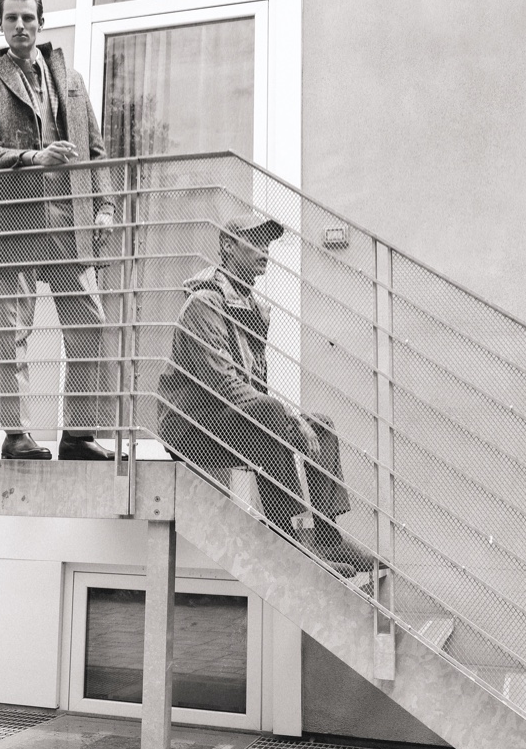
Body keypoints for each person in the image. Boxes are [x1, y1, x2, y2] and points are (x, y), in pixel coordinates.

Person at [157, 215, 371, 577]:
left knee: (321, 425)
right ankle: (289, 543)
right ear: (228, 246)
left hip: (229, 421)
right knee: (272, 415)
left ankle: (328, 535)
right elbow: (222, 384)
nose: (265, 252)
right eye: (255, 242)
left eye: (268, 245)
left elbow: (255, 387)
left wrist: (294, 422)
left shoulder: (253, 309)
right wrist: (285, 419)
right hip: (191, 427)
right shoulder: (204, 304)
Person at [0, 0, 116, 461]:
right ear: (0, 24)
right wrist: (36, 157)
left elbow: (95, 152)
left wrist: (106, 206)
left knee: (89, 324)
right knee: (13, 331)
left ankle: (76, 433)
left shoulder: (71, 81)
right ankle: (17, 436)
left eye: (28, 18)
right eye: (11, 18)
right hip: (16, 222)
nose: (20, 26)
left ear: (41, 22)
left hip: (68, 223)